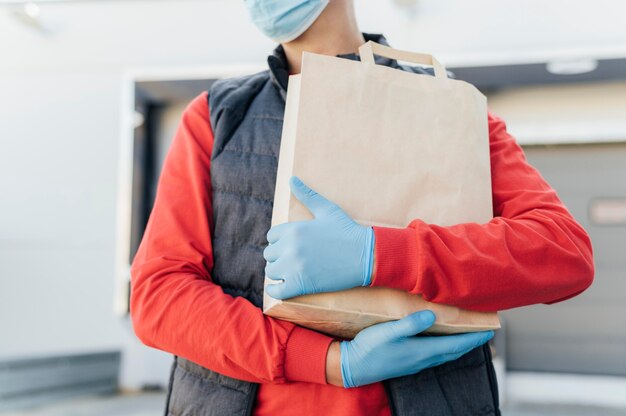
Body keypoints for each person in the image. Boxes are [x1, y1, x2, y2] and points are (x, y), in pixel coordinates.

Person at [129, 1, 595, 415]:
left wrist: (381, 254)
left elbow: (563, 253)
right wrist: (331, 364)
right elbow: (158, 296)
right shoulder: (219, 115)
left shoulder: (450, 108)